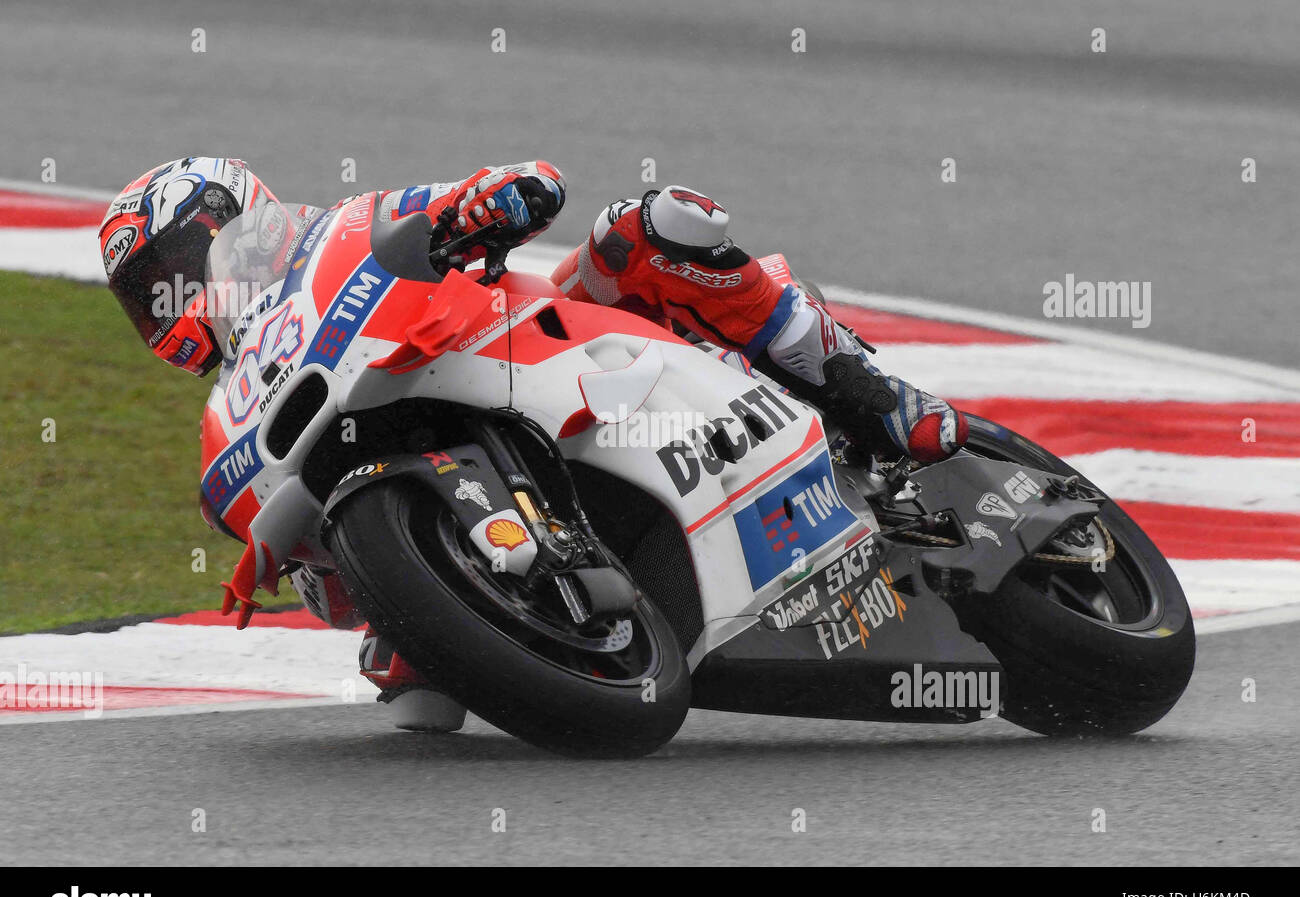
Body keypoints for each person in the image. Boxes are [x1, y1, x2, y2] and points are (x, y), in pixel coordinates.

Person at [99, 156, 967, 731]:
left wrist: (497, 199)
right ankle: (488, 603)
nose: (169, 304)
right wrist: (358, 581)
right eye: (148, 298)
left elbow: (513, 186)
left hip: (558, 355)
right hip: (434, 466)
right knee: (411, 695)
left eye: (172, 274)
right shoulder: (228, 412)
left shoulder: (349, 229)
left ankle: (872, 398)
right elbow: (288, 552)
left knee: (654, 227)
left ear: (229, 221)